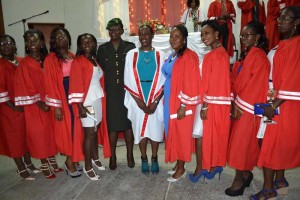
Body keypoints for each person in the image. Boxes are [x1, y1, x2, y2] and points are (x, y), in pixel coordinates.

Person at [250, 6, 300, 200]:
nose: (280, 21)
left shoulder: (296, 44)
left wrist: (273, 106)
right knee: (275, 145)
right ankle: (280, 180)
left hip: (283, 103)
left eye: (286, 18)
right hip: (274, 99)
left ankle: (268, 189)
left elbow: (293, 79)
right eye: (280, 17)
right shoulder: (283, 43)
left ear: (296, 22)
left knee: (269, 145)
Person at [225, 21, 270, 197]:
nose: (243, 38)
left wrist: (239, 105)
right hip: (238, 105)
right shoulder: (246, 55)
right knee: (238, 144)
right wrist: (232, 102)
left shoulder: (259, 57)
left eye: (248, 35)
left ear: (257, 37)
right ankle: (245, 173)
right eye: (242, 35)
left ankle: (239, 178)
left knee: (241, 146)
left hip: (247, 109)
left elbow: (257, 87)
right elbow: (234, 80)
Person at [14, 29, 60, 179]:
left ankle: (52, 159)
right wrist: (38, 102)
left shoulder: (46, 59)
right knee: (39, 135)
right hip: (34, 106)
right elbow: (22, 86)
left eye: (35, 40)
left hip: (49, 102)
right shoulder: (24, 64)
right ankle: (44, 164)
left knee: (50, 134)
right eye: (28, 41)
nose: (32, 43)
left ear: (42, 42)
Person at [124, 25, 166, 174]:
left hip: (155, 97)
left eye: (146, 34)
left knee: (155, 129)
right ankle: (143, 157)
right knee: (140, 129)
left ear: (152, 35)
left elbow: (164, 79)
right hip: (137, 97)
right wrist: (139, 102)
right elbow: (127, 78)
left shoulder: (161, 54)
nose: (143, 37)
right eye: (141, 34)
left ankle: (154, 158)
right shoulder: (131, 54)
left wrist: (155, 101)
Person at [193, 19, 231, 181]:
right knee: (203, 136)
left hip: (211, 103)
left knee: (203, 136)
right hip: (207, 100)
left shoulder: (218, 55)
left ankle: (203, 167)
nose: (203, 37)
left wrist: (205, 106)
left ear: (217, 34)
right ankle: (212, 166)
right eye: (202, 34)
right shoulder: (214, 53)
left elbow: (216, 83)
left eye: (207, 33)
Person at [69, 33, 111, 180]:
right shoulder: (78, 62)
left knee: (95, 131)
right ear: (80, 46)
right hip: (86, 103)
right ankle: (87, 166)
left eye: (90, 41)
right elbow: (74, 85)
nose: (87, 44)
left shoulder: (94, 60)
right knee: (89, 135)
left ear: (95, 44)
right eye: (83, 42)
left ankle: (94, 157)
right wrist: (79, 106)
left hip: (97, 100)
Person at [162, 24, 201, 182]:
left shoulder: (189, 56)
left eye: (177, 36)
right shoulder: (174, 55)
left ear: (184, 39)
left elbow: (191, 83)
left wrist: (183, 105)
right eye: (171, 36)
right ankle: (178, 164)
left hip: (182, 102)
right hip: (170, 100)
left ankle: (181, 168)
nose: (173, 39)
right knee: (173, 132)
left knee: (181, 135)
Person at [97, 18, 136, 170]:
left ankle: (130, 155)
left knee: (128, 125)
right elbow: (100, 70)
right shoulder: (103, 49)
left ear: (122, 30)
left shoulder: (130, 46)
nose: (114, 32)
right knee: (112, 126)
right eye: (111, 29)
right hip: (111, 92)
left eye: (117, 29)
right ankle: (112, 157)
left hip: (126, 91)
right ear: (108, 31)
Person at [0, 34, 40, 180]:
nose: (6, 46)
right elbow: (1, 90)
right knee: (15, 139)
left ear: (15, 46)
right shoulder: (1, 65)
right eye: (2, 44)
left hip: (25, 107)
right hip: (9, 109)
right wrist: (14, 107)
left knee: (26, 137)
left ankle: (29, 163)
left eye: (9, 43)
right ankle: (20, 167)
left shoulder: (21, 61)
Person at [44, 27, 82, 178]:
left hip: (74, 96)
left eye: (63, 36)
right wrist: (57, 107)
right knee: (67, 131)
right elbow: (50, 84)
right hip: (62, 97)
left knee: (76, 129)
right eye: (57, 37)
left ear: (68, 38)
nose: (61, 39)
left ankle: (75, 158)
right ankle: (69, 162)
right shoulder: (50, 59)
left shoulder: (72, 55)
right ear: (53, 42)